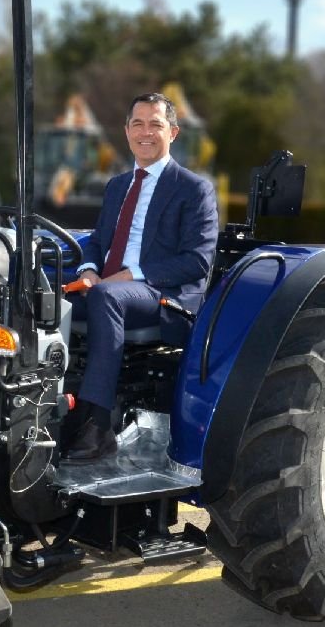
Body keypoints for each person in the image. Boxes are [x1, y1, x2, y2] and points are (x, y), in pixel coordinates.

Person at [62, 93, 219, 462]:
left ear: (173, 133)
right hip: (108, 288)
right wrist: (88, 270)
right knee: (38, 295)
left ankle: (99, 426)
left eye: (155, 124)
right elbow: (97, 241)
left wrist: (130, 275)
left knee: (107, 297)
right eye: (138, 124)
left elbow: (197, 262)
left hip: (162, 295)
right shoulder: (117, 185)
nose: (145, 132)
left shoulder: (194, 189)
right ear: (126, 131)